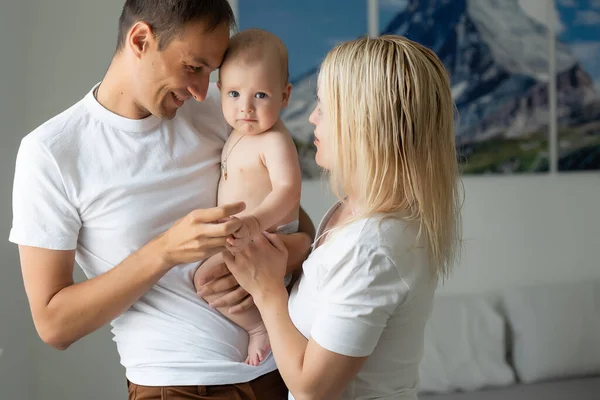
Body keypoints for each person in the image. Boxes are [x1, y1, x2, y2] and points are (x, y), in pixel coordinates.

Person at [9, 1, 313, 399]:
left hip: (280, 373)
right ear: (140, 40)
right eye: (193, 67)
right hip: (175, 387)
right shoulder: (51, 153)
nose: (202, 90)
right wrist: (165, 251)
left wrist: (280, 259)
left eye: (211, 72)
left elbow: (301, 229)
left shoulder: (223, 113)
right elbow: (54, 324)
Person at [223, 35, 463, 400]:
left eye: (324, 105)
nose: (312, 116)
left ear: (365, 123)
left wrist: (267, 291)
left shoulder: (372, 248)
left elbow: (310, 388)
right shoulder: (355, 211)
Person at [193, 28, 301, 367]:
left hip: (268, 235)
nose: (246, 108)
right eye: (236, 94)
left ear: (285, 96)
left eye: (261, 96)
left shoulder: (275, 141)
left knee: (205, 278)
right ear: (220, 91)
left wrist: (255, 222)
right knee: (208, 278)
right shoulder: (235, 133)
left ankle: (259, 327)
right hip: (244, 234)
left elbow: (288, 190)